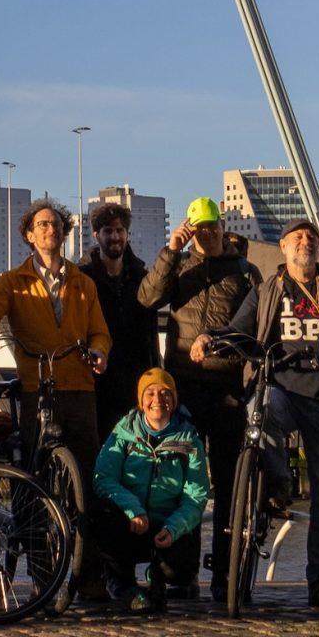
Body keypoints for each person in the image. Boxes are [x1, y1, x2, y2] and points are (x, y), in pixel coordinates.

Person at [213, 216, 319, 607]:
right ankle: (276, 484)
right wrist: (207, 339)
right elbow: (238, 329)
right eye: (298, 236)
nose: (306, 241)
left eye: (311, 236)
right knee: (263, 407)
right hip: (280, 387)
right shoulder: (267, 292)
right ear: (283, 246)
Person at [0, 199, 113, 578]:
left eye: (57, 225)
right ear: (30, 236)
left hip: (79, 388)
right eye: (43, 225)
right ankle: (41, 572)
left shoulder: (84, 283)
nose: (52, 230)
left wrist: (99, 350)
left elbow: (99, 330)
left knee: (88, 480)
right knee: (32, 482)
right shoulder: (13, 283)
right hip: (37, 388)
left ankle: (90, 574)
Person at [137, 195, 258, 602]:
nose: (207, 234)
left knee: (227, 486)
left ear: (223, 226)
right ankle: (180, 573)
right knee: (179, 487)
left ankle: (225, 574)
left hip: (226, 391)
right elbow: (147, 298)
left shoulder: (246, 272)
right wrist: (171, 251)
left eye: (212, 227)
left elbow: (256, 326)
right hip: (184, 389)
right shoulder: (182, 267)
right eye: (199, 228)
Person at [87, 368, 211, 613]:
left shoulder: (189, 440)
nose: (158, 400)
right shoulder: (123, 434)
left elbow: (196, 495)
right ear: (141, 401)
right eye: (151, 393)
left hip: (166, 525)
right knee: (101, 515)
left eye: (165, 393)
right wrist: (132, 509)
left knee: (181, 566)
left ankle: (159, 576)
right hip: (130, 521)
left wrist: (173, 528)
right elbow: (103, 479)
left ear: (174, 400)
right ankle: (123, 586)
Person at [86, 201, 160, 443]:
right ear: (97, 235)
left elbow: (150, 332)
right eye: (108, 231)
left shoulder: (141, 277)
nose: (115, 236)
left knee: (136, 451)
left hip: (135, 377)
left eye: (120, 231)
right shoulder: (84, 278)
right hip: (98, 379)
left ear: (127, 234)